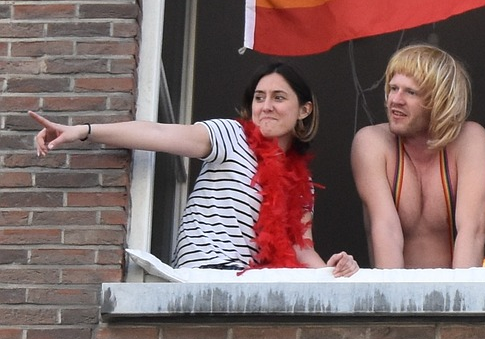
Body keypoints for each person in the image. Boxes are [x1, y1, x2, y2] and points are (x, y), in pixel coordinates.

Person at [34, 71, 357, 276]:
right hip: (204, 273)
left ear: (304, 110)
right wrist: (83, 131)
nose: (266, 106)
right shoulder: (230, 135)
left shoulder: (302, 185)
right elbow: (157, 134)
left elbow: (302, 249)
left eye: (278, 97)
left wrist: (336, 272)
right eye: (259, 98)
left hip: (247, 282)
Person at [349, 44, 485, 270]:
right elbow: (386, 228)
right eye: (393, 88)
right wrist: (395, 302)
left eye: (410, 92)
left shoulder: (470, 139)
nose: (395, 100)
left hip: (456, 293)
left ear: (440, 100)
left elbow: (472, 230)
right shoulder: (371, 142)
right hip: (394, 293)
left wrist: (459, 302)